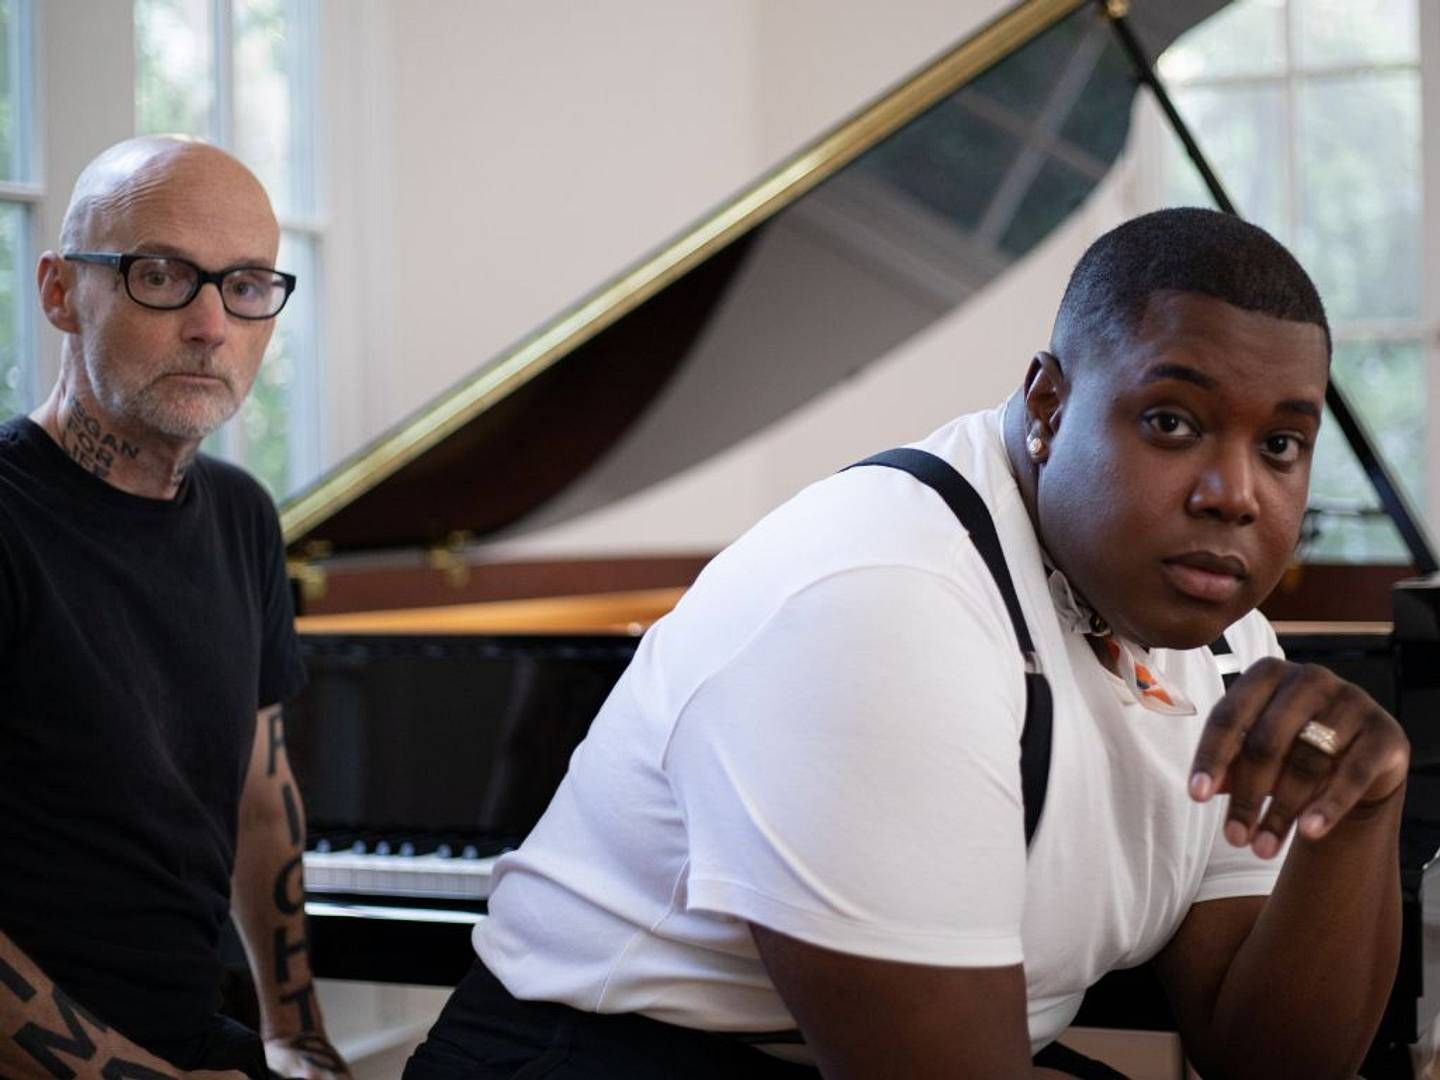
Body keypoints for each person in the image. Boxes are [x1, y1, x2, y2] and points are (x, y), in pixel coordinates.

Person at [404, 208, 1408, 1079]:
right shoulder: (885, 598)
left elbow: (1269, 1056)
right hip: (604, 1058)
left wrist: (1361, 813)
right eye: (1172, 422)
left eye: (1282, 445)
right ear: (1049, 405)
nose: (1235, 495)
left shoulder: (1221, 633)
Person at [0, 137, 349, 1080]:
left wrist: (297, 1035)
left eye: (245, 286)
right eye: (160, 276)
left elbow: (260, 801)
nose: (210, 325)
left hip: (196, 1039)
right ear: (59, 292)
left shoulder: (242, 516)